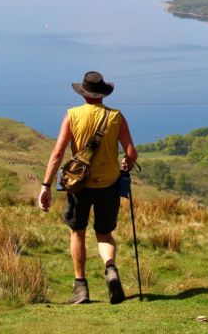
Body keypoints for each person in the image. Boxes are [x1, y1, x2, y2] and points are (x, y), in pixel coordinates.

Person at [38, 71, 138, 305]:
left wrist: (46, 185)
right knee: (104, 233)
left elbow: (58, 153)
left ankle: (81, 288)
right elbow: (131, 153)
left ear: (83, 94)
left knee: (78, 232)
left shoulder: (72, 115)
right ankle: (110, 269)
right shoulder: (116, 116)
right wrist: (127, 163)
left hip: (78, 186)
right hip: (109, 184)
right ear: (102, 94)